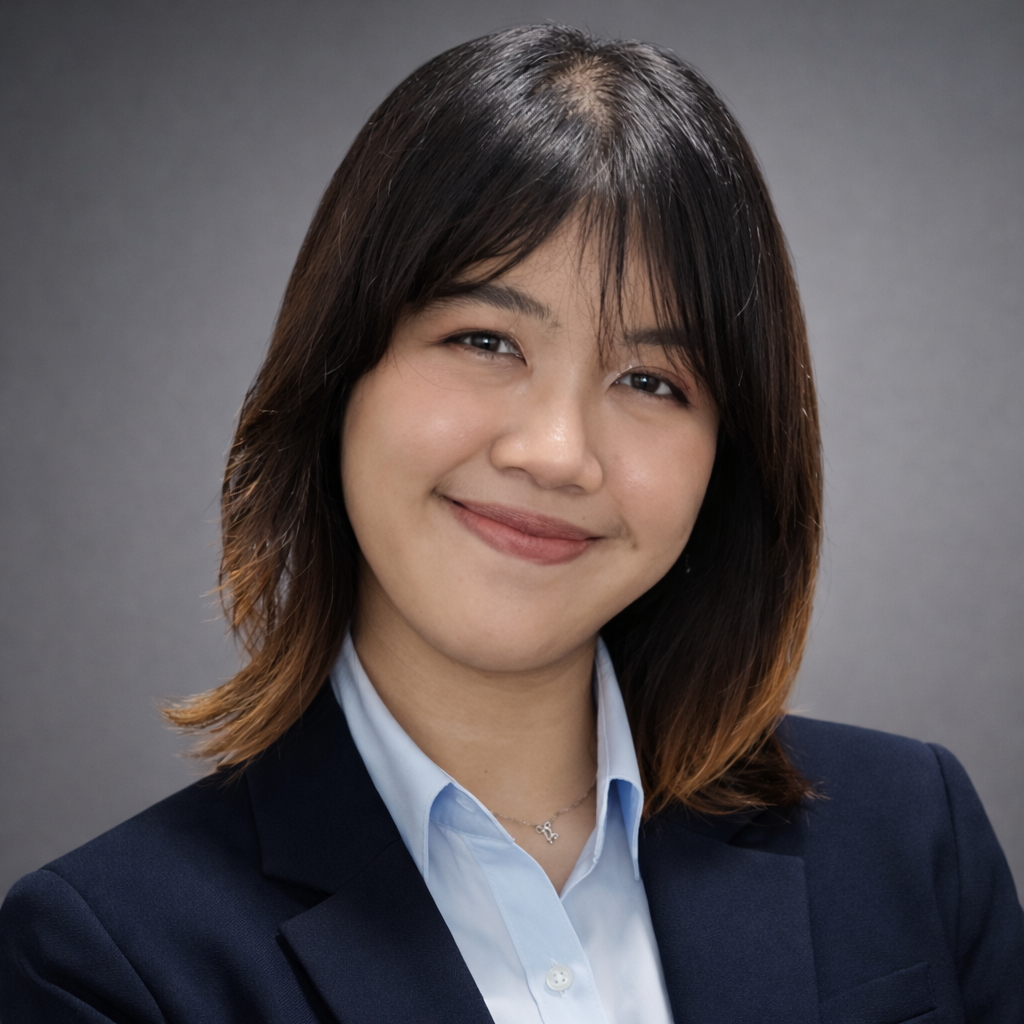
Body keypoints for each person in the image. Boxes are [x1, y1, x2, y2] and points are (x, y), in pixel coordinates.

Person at [1, 23, 1020, 1024]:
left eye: (650, 380)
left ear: (731, 455)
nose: (557, 451)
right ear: (341, 370)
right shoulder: (107, 962)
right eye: (486, 338)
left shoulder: (908, 833)